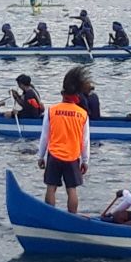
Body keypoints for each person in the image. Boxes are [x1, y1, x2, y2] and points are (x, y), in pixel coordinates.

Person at [36, 66, 92, 213]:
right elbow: (85, 141)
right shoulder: (82, 114)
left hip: (54, 155)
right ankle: (71, 218)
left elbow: (44, 136)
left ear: (63, 93)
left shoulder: (51, 110)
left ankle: (49, 215)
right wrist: (85, 161)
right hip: (73, 156)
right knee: (71, 189)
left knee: (51, 187)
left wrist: (40, 156)